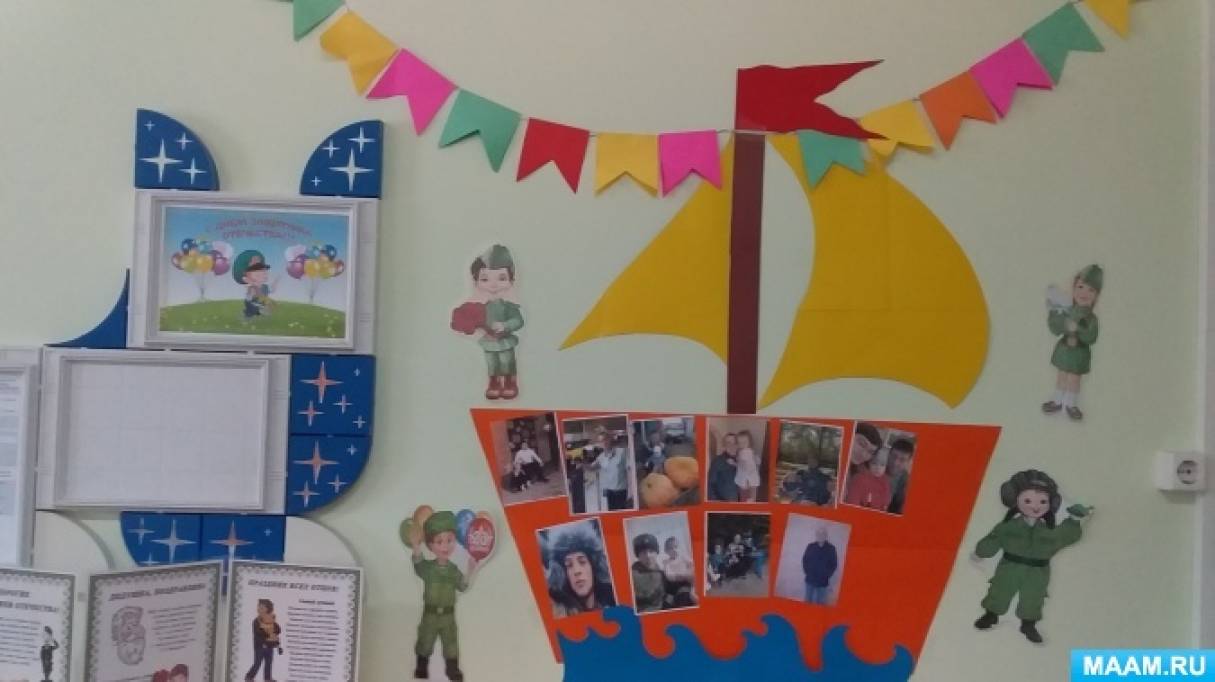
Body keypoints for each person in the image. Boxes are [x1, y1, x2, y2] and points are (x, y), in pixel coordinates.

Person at [972, 470, 1091, 644]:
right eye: (1027, 501)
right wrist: (980, 552)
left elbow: (1065, 536)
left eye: (1042, 501)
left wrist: (1074, 520)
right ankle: (991, 615)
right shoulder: (1009, 527)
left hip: (1038, 571)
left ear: (1051, 504)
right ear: (1015, 500)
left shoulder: (1049, 532)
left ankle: (1028, 625)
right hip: (1010, 566)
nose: (1035, 506)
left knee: (1033, 596)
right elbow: (994, 539)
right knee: (1000, 590)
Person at [452, 245, 524, 400]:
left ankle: (510, 383)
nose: (493, 284)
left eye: (501, 278)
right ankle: (494, 384)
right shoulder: (479, 305)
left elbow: (518, 321)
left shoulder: (508, 305)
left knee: (507, 361)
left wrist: (505, 325)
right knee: (492, 363)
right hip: (489, 341)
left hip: (504, 341)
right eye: (485, 279)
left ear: (511, 280)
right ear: (476, 281)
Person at [412, 511, 477, 681]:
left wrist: (470, 570)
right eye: (439, 541)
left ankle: (452, 669)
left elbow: (462, 586)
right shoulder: (428, 568)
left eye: (449, 540)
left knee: (451, 642)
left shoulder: (453, 570)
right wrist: (416, 546)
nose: (445, 546)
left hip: (448, 615)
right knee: (425, 639)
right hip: (430, 614)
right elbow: (418, 565)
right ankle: (421, 666)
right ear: (430, 545)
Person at [1041, 264, 1102, 421]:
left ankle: (1070, 404)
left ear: (1096, 295)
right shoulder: (1067, 309)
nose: (1084, 293)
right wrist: (1056, 316)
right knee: (1061, 376)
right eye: (1080, 287)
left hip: (1079, 353)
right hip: (1064, 349)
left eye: (1091, 290)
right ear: (1074, 289)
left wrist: (1079, 329)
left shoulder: (1091, 318)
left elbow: (1092, 337)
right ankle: (1057, 401)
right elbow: (1056, 328)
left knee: (1074, 379)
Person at [546, 523, 616, 617]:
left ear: (593, 566)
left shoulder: (613, 602)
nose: (577, 571)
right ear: (564, 574)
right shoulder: (559, 613)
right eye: (569, 565)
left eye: (582, 562)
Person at [588, 432, 630, 510]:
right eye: (601, 441)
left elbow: (629, 470)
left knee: (621, 512)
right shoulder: (601, 457)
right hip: (610, 492)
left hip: (621, 491)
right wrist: (582, 465)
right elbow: (592, 468)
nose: (604, 442)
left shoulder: (622, 452)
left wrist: (631, 491)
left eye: (605, 439)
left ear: (610, 439)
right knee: (612, 512)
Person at [244, 599, 280, 682]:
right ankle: (249, 677)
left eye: (262, 607)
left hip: (269, 646)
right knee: (257, 663)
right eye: (258, 607)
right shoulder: (256, 621)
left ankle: (267, 678)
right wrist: (268, 635)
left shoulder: (271, 619)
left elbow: (278, 629)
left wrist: (273, 627)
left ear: (267, 609)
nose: (259, 609)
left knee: (269, 662)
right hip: (260, 646)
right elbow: (258, 633)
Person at [233, 250, 275, 320]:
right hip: (252, 306)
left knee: (261, 308)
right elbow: (249, 298)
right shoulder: (252, 288)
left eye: (264, 271)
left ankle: (258, 312)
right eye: (258, 273)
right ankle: (248, 315)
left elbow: (271, 289)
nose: (264, 273)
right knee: (251, 311)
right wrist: (253, 288)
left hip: (260, 305)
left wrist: (277, 281)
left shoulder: (265, 287)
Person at [802, 526, 839, 605]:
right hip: (810, 580)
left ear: (826, 535)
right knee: (807, 600)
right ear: (816, 535)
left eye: (823, 534)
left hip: (823, 581)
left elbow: (834, 564)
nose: (820, 535)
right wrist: (807, 572)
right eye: (819, 533)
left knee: (821, 602)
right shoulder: (810, 546)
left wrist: (826, 575)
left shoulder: (831, 548)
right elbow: (805, 560)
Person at [630, 534, 666, 612]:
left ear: (656, 553)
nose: (648, 556)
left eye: (651, 551)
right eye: (643, 552)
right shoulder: (631, 574)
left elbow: (668, 592)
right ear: (638, 555)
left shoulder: (663, 571)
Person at [661, 536, 696, 608]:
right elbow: (669, 576)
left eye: (676, 547)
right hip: (674, 584)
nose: (674, 550)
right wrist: (682, 576)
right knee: (666, 603)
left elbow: (693, 565)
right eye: (671, 548)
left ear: (680, 547)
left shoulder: (683, 557)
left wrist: (689, 574)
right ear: (666, 551)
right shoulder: (666, 562)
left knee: (684, 596)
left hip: (685, 583)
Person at [707, 433, 740, 502]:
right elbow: (710, 486)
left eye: (735, 443)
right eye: (728, 443)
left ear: (737, 445)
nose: (732, 446)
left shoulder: (741, 461)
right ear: (724, 446)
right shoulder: (717, 461)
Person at [886, 438, 915, 514]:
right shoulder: (875, 465)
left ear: (908, 462)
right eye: (894, 456)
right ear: (889, 453)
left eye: (902, 460)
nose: (895, 463)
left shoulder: (905, 480)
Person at [733, 430, 760, 502]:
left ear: (749, 442)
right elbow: (756, 463)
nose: (742, 445)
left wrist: (733, 463)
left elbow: (746, 467)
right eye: (740, 443)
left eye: (744, 442)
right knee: (751, 498)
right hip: (751, 479)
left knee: (745, 498)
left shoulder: (745, 452)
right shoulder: (749, 451)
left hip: (746, 480)